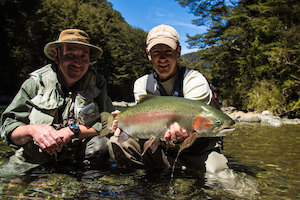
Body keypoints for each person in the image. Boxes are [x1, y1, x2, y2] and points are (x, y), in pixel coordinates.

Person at [107, 24, 228, 173]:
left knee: (219, 175)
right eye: (156, 52)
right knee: (116, 143)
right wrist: (124, 124)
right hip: (161, 148)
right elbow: (145, 125)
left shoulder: (195, 80)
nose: (162, 58)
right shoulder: (142, 84)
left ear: (178, 52)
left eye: (168, 51)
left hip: (197, 150)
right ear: (149, 54)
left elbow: (195, 120)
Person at [0, 29, 114, 175]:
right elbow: (8, 127)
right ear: (57, 55)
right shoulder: (36, 83)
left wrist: (72, 131)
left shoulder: (98, 83)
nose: (78, 63)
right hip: (34, 157)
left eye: (83, 56)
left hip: (78, 159)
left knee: (103, 145)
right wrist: (32, 130)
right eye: (70, 55)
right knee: (8, 186)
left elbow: (108, 123)